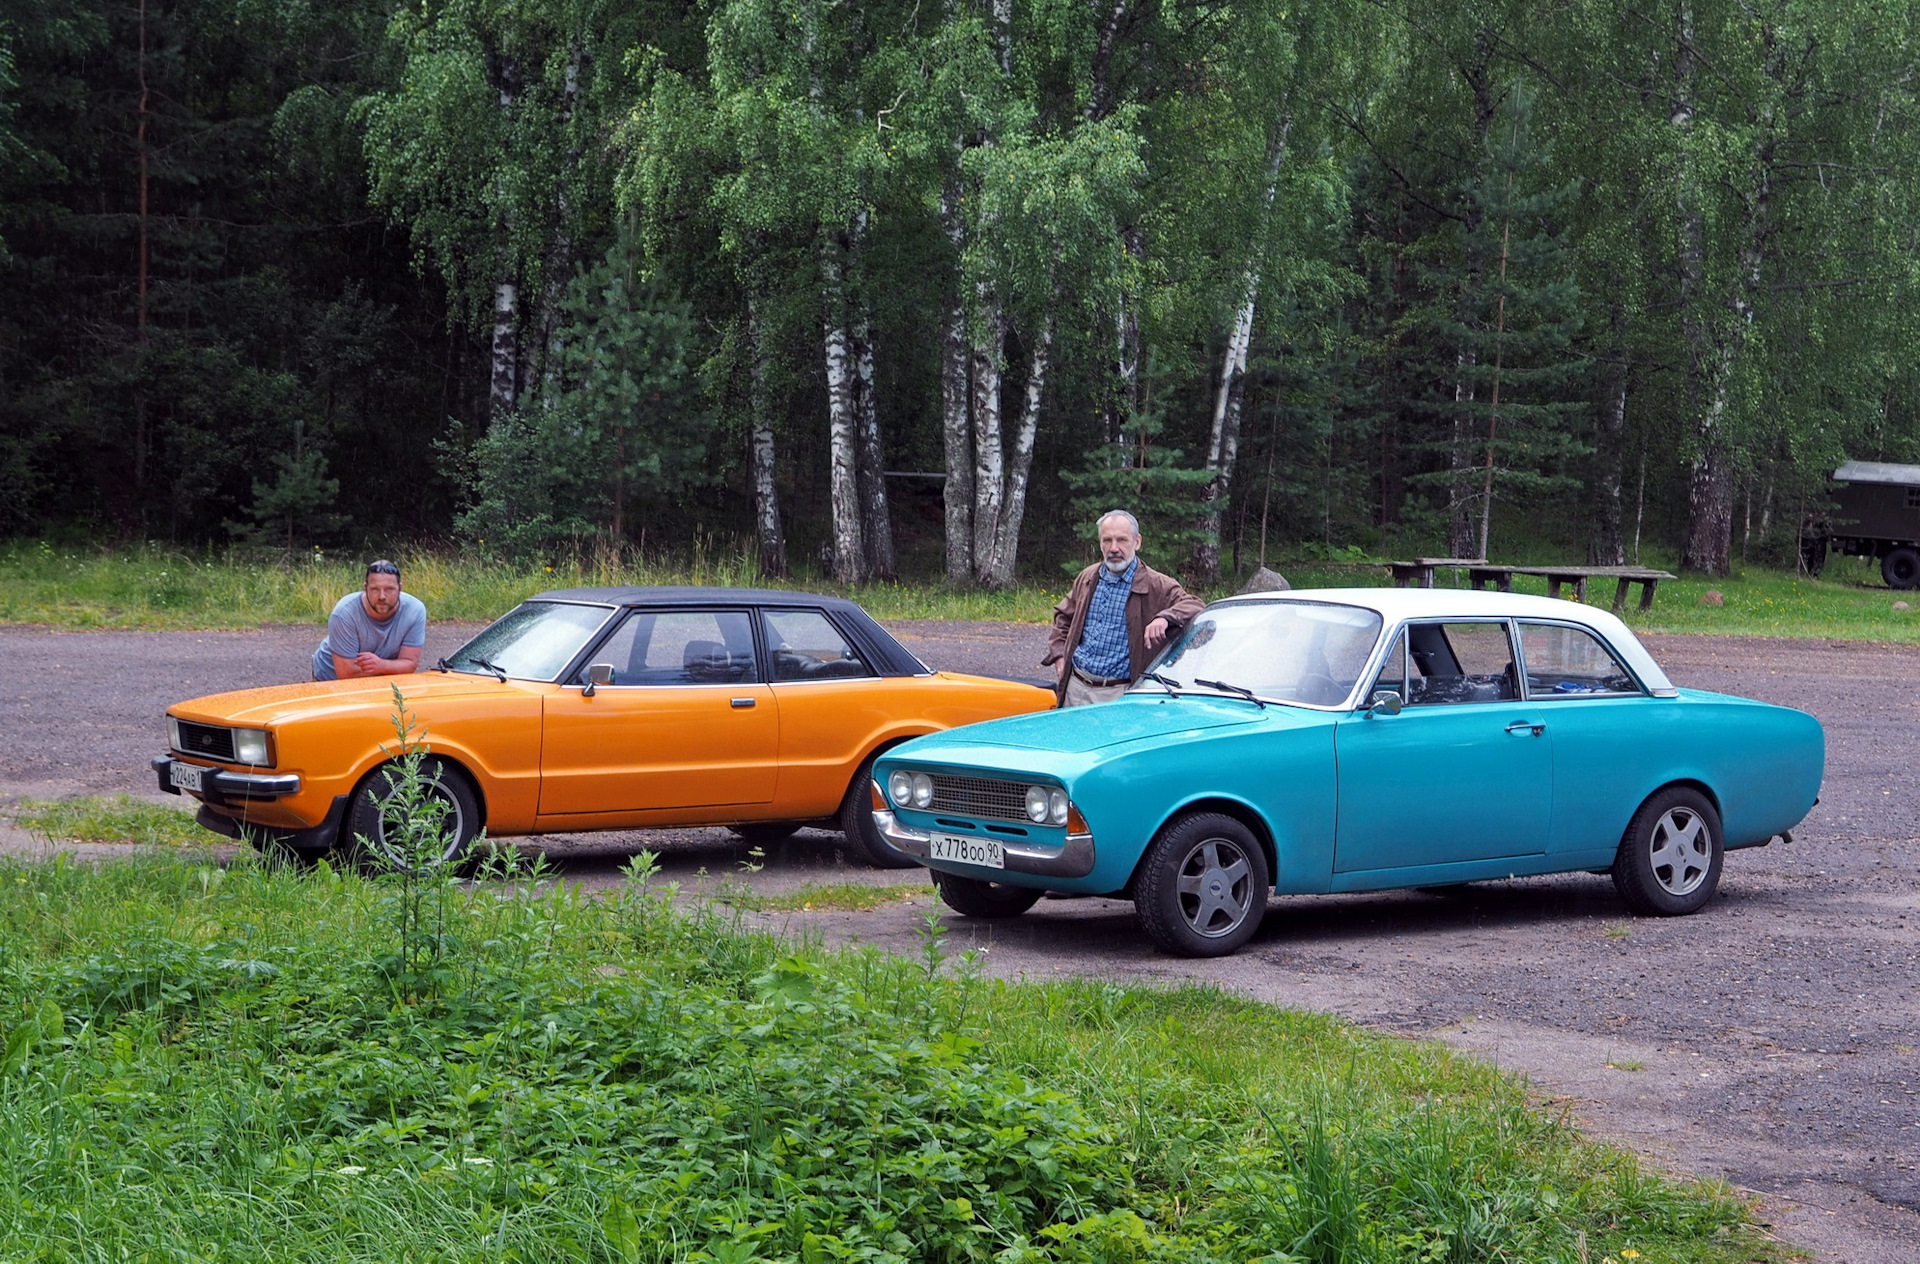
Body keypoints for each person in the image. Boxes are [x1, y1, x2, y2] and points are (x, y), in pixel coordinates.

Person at [1043, 510, 1205, 707]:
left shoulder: (1156, 584)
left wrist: (1165, 618)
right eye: (1107, 540)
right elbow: (1063, 617)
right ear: (1100, 542)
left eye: (1121, 540)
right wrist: (1060, 656)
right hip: (1075, 689)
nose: (1114, 548)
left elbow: (1196, 605)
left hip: (1119, 694)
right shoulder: (1087, 578)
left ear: (1137, 542)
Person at [311, 560, 427, 681]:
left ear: (400, 588)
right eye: (375, 589)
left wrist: (381, 665)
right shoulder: (344, 613)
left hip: (383, 678)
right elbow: (346, 673)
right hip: (331, 677)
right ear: (365, 588)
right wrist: (393, 668)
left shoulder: (414, 611)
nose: (382, 596)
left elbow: (409, 664)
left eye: (389, 589)